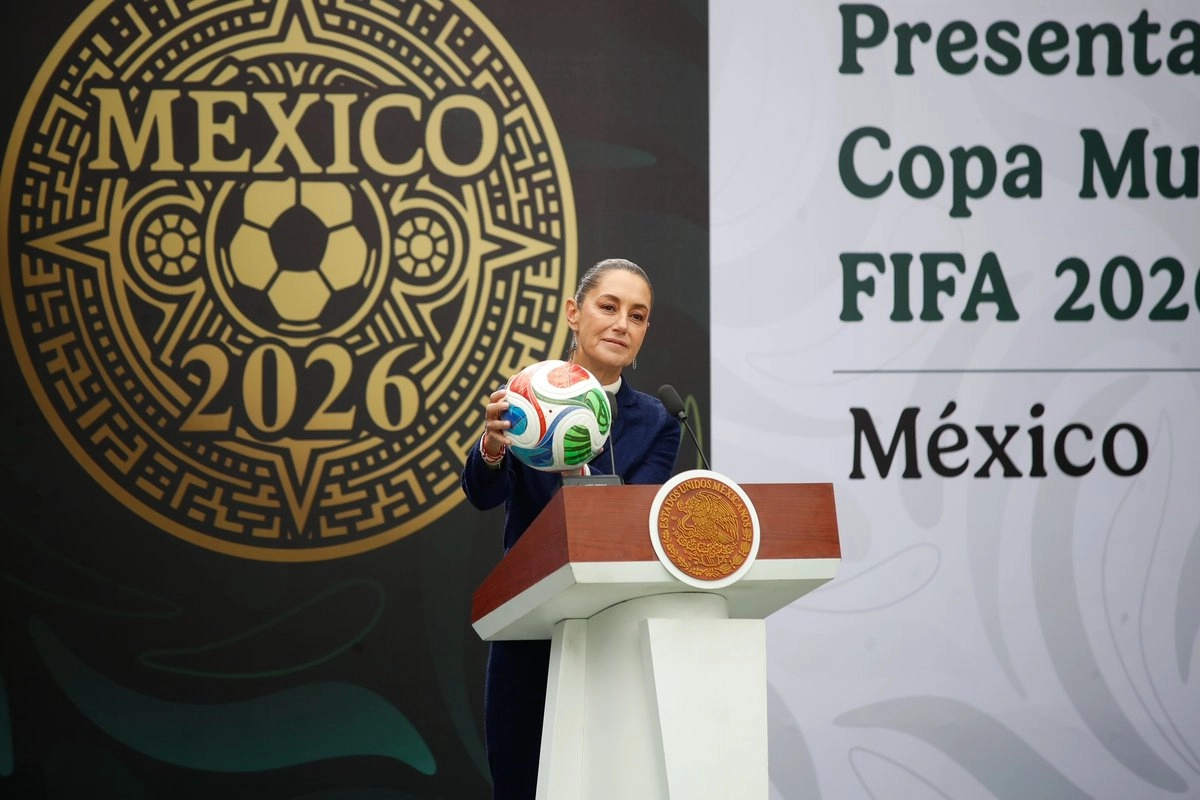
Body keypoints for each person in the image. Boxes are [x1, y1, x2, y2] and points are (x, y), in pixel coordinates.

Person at [460, 257, 681, 799]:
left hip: (614, 633)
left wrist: (578, 470)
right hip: (530, 626)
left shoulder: (658, 421)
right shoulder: (525, 397)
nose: (622, 324)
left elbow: (632, 528)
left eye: (637, 316)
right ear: (573, 314)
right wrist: (492, 448)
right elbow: (484, 496)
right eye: (608, 307)